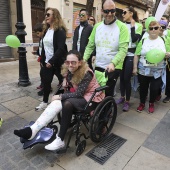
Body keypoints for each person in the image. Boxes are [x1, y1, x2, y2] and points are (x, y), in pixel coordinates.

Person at [14, 50, 105, 151]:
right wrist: (63, 86)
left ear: (80, 62)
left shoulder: (86, 73)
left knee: (65, 103)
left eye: (73, 62)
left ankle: (60, 139)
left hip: (90, 97)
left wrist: (60, 96)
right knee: (58, 102)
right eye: (68, 62)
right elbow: (69, 86)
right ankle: (33, 130)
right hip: (77, 95)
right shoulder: (68, 70)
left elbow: (79, 94)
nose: (70, 64)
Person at [83, 0, 129, 97]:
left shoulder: (122, 27)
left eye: (112, 11)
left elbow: (123, 49)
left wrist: (113, 63)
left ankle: (108, 109)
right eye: (106, 11)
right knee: (96, 92)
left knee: (107, 92)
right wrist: (83, 60)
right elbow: (90, 46)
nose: (109, 14)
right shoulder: (97, 26)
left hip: (113, 67)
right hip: (99, 65)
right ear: (102, 11)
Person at [35, 7, 68, 111]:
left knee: (64, 82)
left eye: (48, 15)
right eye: (45, 14)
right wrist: (42, 59)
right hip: (47, 63)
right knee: (46, 82)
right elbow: (44, 46)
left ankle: (65, 102)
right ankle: (44, 102)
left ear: (55, 16)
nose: (46, 16)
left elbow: (61, 49)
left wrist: (51, 61)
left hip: (57, 63)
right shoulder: (46, 30)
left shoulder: (60, 31)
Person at [133, 21, 168, 113]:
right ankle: (142, 103)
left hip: (157, 71)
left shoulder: (163, 40)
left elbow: (168, 52)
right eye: (151, 28)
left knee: (154, 89)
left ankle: (151, 103)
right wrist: (134, 68)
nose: (153, 30)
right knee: (143, 88)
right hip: (143, 70)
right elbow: (137, 54)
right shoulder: (143, 40)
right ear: (148, 30)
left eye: (156, 28)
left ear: (159, 28)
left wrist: (167, 55)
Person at [116, 6, 143, 111]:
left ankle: (127, 101)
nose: (122, 14)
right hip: (121, 54)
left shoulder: (138, 26)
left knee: (127, 79)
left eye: (124, 12)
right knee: (121, 78)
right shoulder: (121, 25)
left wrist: (132, 27)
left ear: (131, 13)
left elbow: (135, 39)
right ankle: (122, 97)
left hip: (131, 54)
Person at [158, 20, 170, 103]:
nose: (161, 28)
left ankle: (168, 95)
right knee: (164, 78)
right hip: (162, 60)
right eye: (160, 26)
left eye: (163, 27)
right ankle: (161, 94)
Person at [32, 23, 45, 95]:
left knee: (46, 74)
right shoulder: (41, 38)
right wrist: (36, 52)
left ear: (43, 31)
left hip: (45, 59)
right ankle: (43, 85)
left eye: (38, 33)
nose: (37, 35)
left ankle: (46, 87)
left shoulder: (46, 38)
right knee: (42, 73)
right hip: (41, 59)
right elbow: (40, 48)